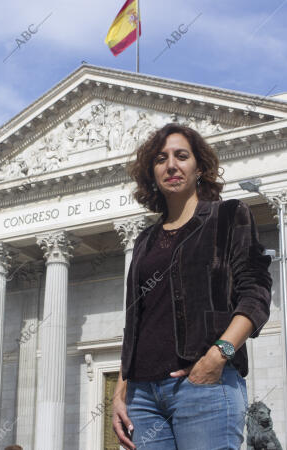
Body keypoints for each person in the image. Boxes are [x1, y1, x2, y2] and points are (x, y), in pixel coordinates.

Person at [112, 123, 273, 450]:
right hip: (143, 397)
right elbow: (136, 323)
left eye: (181, 156)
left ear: (199, 167)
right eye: (161, 159)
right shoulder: (144, 241)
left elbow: (255, 293)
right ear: (152, 173)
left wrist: (218, 355)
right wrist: (121, 390)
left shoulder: (228, 216)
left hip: (203, 386)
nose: (171, 165)